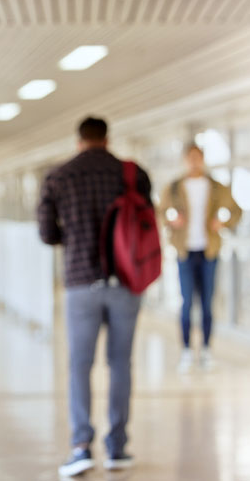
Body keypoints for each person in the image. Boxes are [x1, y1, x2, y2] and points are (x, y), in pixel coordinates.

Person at [38, 117, 153, 477]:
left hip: (79, 282)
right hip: (125, 281)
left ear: (79, 140)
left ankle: (81, 446)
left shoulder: (58, 176)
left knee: (80, 366)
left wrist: (71, 239)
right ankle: (117, 447)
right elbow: (147, 221)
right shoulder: (132, 173)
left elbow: (46, 233)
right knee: (120, 364)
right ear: (107, 138)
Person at [159, 144, 242, 373]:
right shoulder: (175, 187)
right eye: (190, 158)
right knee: (186, 303)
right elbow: (160, 211)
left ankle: (206, 349)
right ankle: (186, 350)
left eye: (198, 158)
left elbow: (236, 211)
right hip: (185, 251)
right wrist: (171, 220)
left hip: (209, 251)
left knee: (207, 302)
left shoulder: (216, 187)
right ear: (185, 160)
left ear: (203, 159)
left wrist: (222, 223)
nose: (194, 162)